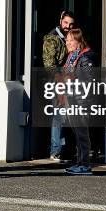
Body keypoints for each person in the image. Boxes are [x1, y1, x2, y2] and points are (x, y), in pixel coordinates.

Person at [63, 28, 98, 176]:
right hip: (72, 99)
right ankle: (79, 162)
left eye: (71, 40)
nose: (67, 43)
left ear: (78, 41)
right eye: (67, 40)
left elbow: (87, 82)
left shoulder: (85, 58)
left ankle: (85, 165)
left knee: (82, 134)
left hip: (81, 101)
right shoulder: (72, 56)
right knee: (77, 133)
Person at [42, 10, 76, 161]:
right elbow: (49, 65)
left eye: (71, 24)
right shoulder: (52, 38)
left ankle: (64, 149)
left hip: (67, 81)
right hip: (57, 82)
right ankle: (55, 151)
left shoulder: (68, 37)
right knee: (59, 116)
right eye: (66, 23)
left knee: (66, 116)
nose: (68, 26)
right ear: (60, 20)